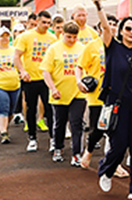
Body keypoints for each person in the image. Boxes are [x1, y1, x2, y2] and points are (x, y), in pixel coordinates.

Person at [92, 0, 132, 200]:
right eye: (128, 28)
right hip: (116, 102)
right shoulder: (112, 48)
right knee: (119, 146)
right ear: (121, 31)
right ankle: (107, 169)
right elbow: (106, 27)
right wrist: (99, 5)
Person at [76, 13, 119, 168]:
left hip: (116, 94)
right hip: (97, 94)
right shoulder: (92, 46)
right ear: (100, 27)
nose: (112, 27)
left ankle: (113, 162)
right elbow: (79, 66)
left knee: (115, 129)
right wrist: (79, 81)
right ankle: (89, 151)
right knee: (98, 127)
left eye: (115, 24)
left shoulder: (120, 45)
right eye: (109, 24)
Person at [41, 21, 86, 165]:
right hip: (59, 93)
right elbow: (46, 71)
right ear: (62, 35)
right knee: (59, 123)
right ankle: (58, 148)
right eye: (69, 37)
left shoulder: (82, 49)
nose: (72, 40)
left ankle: (76, 153)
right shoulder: (53, 49)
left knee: (76, 123)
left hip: (78, 93)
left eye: (74, 37)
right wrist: (53, 88)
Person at [13, 11, 57, 153]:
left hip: (46, 80)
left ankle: (53, 139)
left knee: (49, 110)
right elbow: (16, 56)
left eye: (48, 23)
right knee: (31, 109)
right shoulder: (25, 36)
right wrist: (22, 71)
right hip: (30, 79)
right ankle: (32, 138)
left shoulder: (52, 38)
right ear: (37, 21)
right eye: (43, 22)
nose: (46, 25)